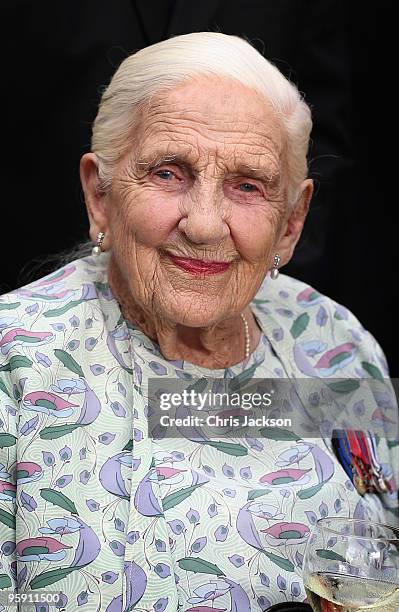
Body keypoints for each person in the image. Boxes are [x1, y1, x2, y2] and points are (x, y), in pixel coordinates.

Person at [0, 33, 397, 612]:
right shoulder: (15, 363)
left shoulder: (331, 339)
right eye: (168, 172)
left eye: (248, 186)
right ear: (100, 197)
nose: (206, 224)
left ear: (291, 222)